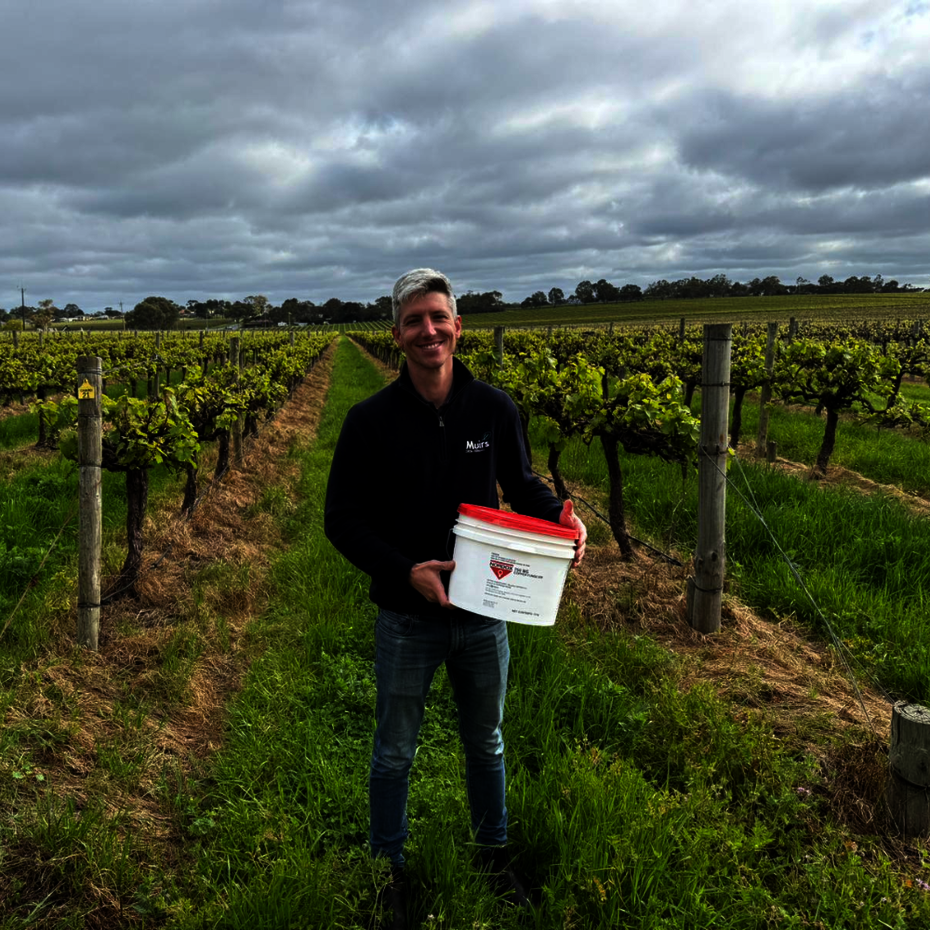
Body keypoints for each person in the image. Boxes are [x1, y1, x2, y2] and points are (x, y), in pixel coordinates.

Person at [324, 268, 586, 927]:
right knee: (393, 748)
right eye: (414, 320)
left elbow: (522, 487)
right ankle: (390, 866)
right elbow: (342, 518)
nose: (428, 330)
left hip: (483, 615)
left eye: (438, 317)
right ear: (396, 336)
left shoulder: (494, 410)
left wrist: (561, 520)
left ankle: (493, 855)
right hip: (406, 618)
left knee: (486, 740)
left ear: (458, 327)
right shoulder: (369, 421)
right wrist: (405, 568)